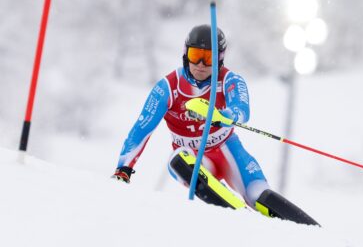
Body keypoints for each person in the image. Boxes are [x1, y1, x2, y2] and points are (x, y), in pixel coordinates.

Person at [112, 24, 319, 226]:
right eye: (195, 56)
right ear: (185, 55)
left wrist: (223, 115)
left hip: (227, 150)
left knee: (258, 194)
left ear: (220, 59)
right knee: (177, 159)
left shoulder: (229, 79)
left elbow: (242, 109)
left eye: (208, 58)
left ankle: (310, 232)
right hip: (194, 158)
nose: (201, 64)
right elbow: (141, 129)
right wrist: (124, 169)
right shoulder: (168, 87)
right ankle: (230, 206)